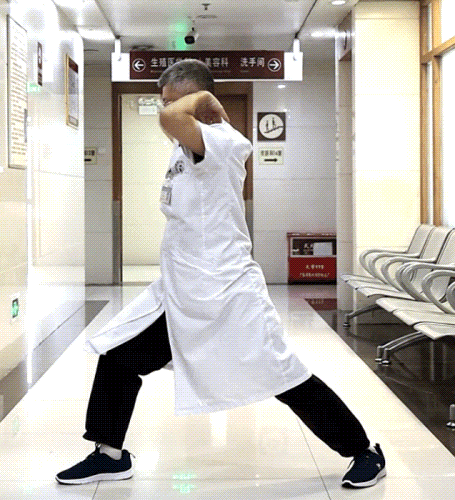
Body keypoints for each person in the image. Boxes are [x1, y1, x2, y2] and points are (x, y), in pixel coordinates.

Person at [56, 59, 386, 488]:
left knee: (284, 376)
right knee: (118, 355)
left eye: (173, 100)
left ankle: (364, 451)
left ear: (195, 99)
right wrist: (190, 105)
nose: (165, 110)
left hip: (226, 294)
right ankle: (109, 454)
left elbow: (171, 119)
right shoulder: (187, 146)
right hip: (181, 293)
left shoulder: (221, 141)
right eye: (163, 101)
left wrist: (203, 98)